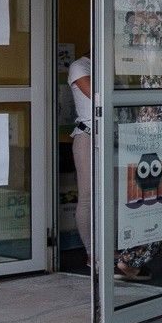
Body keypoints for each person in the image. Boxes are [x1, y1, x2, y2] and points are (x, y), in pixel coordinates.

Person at [68, 56, 93, 268]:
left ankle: (111, 248)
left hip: (113, 138)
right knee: (87, 196)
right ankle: (91, 252)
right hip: (88, 137)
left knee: (112, 197)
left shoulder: (112, 67)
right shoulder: (80, 66)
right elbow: (98, 95)